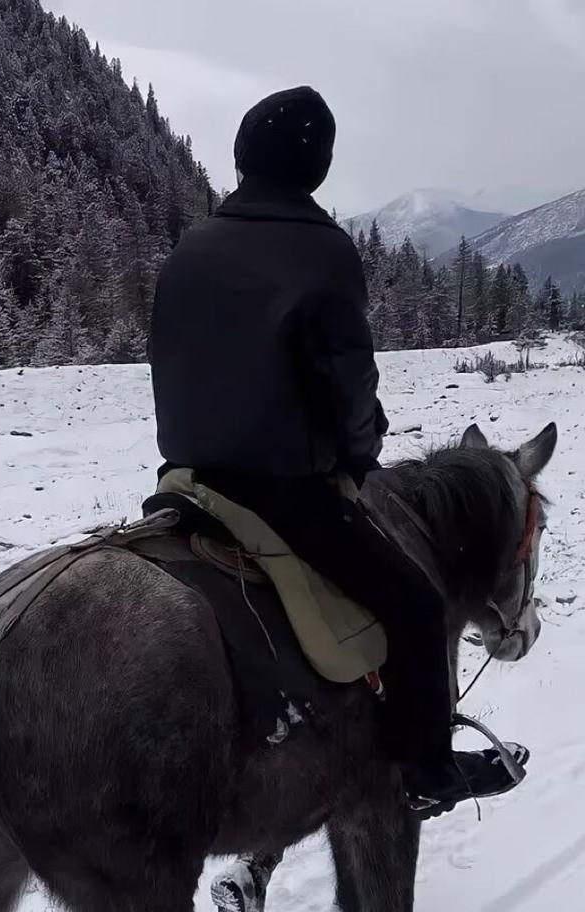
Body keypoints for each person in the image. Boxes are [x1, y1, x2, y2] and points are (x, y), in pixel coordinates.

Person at [149, 85, 521, 817]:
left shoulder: (192, 246)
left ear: (242, 157)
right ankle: (425, 768)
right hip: (282, 495)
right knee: (416, 605)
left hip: (184, 480)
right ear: (316, 165)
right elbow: (350, 383)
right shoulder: (322, 250)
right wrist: (359, 455)